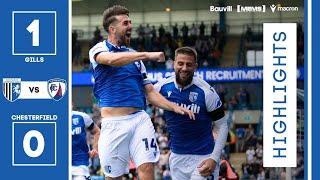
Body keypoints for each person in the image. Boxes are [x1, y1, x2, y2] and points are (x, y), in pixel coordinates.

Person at [88, 5, 194, 180]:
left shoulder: (135, 58)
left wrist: (174, 107)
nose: (130, 26)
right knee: (114, 177)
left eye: (130, 22)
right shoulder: (98, 50)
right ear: (112, 29)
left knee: (146, 167)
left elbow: (150, 92)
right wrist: (146, 55)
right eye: (125, 23)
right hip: (113, 124)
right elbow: (113, 60)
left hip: (139, 120)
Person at [154, 46, 229, 180]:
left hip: (204, 158)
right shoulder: (162, 87)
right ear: (174, 64)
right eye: (180, 63)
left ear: (195, 66)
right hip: (177, 157)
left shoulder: (206, 92)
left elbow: (222, 125)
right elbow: (142, 100)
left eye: (189, 64)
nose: (184, 68)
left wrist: (214, 158)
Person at [72, 110, 100, 180]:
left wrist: (95, 149)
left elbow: (97, 132)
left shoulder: (82, 116)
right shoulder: (51, 118)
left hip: (80, 164)